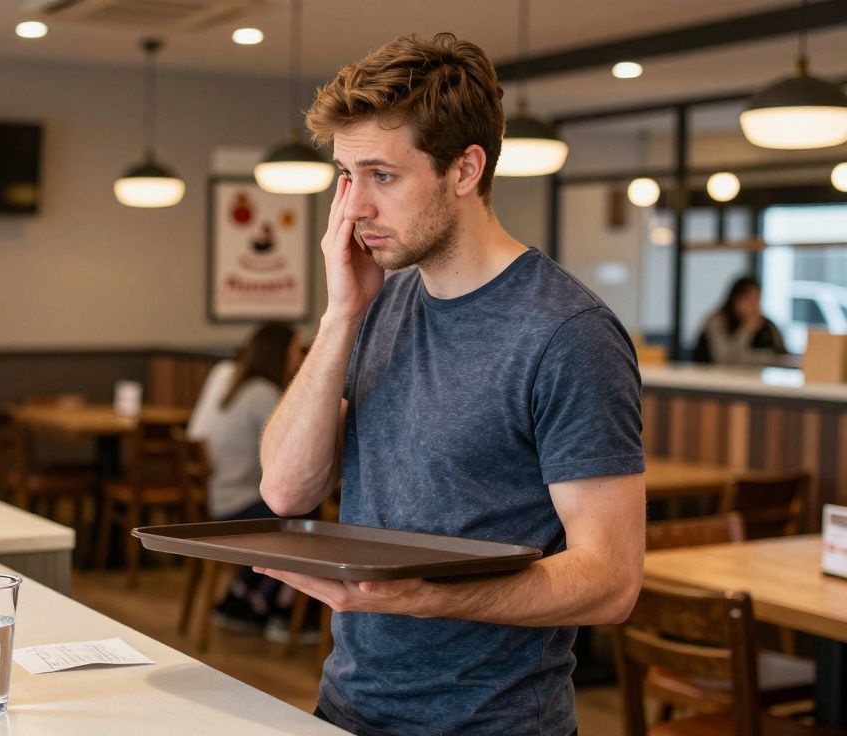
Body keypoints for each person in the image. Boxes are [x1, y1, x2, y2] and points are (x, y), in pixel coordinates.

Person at [256, 33, 645, 735]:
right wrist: (340, 312)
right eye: (345, 175)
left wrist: (429, 598)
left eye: (382, 175)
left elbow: (611, 581)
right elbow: (286, 490)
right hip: (348, 707)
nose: (354, 207)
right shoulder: (380, 303)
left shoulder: (568, 333)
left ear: (465, 169)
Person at [187, 323, 304, 637]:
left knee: (292, 515)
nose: (301, 358)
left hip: (210, 500)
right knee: (306, 523)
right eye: (297, 349)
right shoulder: (264, 395)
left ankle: (238, 596)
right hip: (238, 505)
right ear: (279, 353)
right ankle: (279, 611)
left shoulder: (223, 374)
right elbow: (292, 459)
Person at [692, 276, 788, 365]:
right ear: (736, 300)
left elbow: (781, 356)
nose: (755, 306)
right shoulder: (717, 321)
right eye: (750, 300)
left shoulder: (766, 324)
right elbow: (724, 359)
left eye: (757, 300)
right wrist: (747, 330)